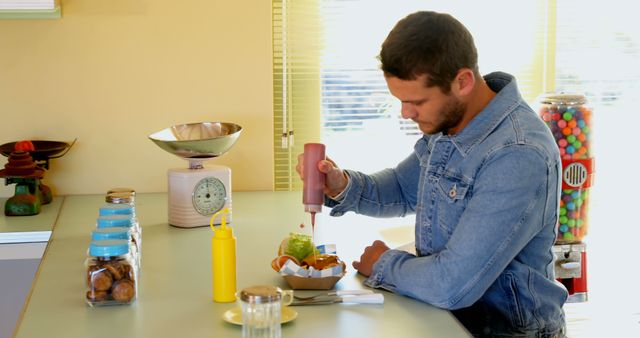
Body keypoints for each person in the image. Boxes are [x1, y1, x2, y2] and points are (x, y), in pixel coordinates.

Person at [296, 11, 568, 338]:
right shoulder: (452, 122)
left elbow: (452, 284)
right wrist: (342, 185)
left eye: (417, 102)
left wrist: (384, 264)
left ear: (463, 81)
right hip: (446, 319)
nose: (405, 113)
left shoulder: (518, 154)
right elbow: (401, 187)